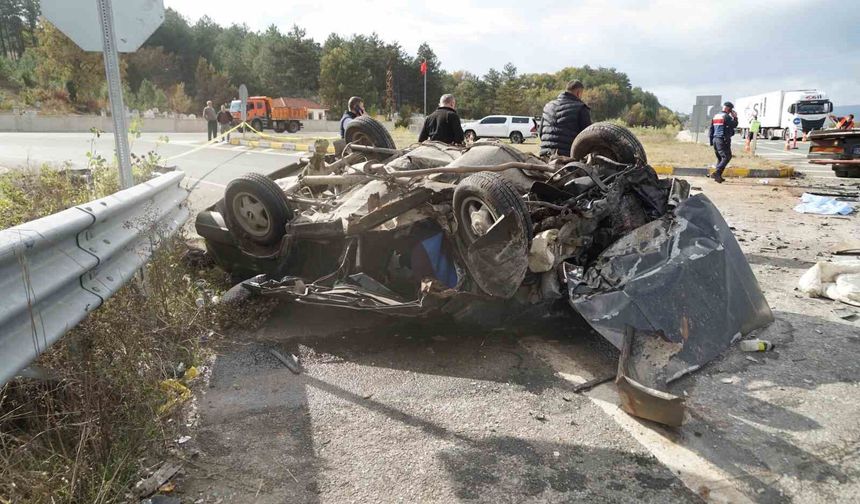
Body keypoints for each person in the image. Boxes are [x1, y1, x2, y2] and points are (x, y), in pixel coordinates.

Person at [538, 79, 592, 158]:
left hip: (545, 155)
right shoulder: (581, 108)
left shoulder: (548, 106)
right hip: (568, 158)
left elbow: (540, 133)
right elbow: (587, 138)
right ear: (578, 93)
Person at [708, 101, 738, 183]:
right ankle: (717, 173)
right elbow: (734, 124)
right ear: (728, 109)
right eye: (731, 109)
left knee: (720, 158)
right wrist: (735, 117)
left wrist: (711, 141)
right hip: (722, 140)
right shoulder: (726, 116)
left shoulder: (716, 116)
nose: (731, 111)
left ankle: (718, 177)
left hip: (715, 139)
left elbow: (711, 129)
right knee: (727, 157)